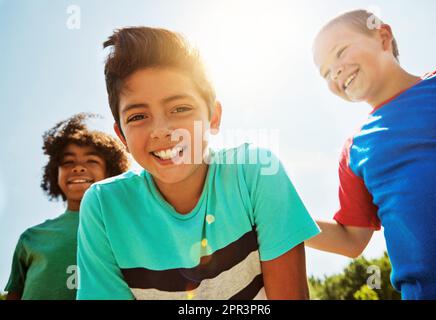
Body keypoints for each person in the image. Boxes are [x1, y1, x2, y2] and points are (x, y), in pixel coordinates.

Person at [76, 27, 320, 300]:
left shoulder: (255, 171)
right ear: (121, 135)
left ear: (213, 117)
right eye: (137, 117)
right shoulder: (103, 206)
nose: (161, 130)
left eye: (180, 109)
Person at [307, 9, 436, 299]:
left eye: (340, 52)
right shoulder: (355, 150)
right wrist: (283, 220)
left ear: (383, 37)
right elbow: (351, 239)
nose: (334, 71)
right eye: (325, 73)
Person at [5, 113, 130, 300]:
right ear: (54, 174)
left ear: (110, 171)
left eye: (92, 161)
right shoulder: (31, 237)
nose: (78, 168)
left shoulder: (128, 230)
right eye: (68, 162)